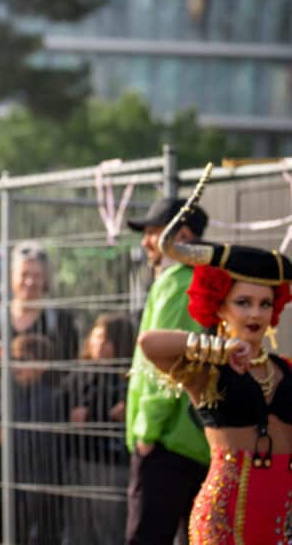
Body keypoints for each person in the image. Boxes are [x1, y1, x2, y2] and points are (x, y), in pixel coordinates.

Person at [137, 171, 292, 543]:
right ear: (219, 307)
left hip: (280, 524)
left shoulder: (284, 368)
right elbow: (149, 343)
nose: (254, 314)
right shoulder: (204, 370)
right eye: (243, 303)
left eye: (264, 303)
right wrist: (218, 348)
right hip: (223, 523)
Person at [124, 196, 210, 545]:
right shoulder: (203, 280)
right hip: (193, 438)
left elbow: (167, 366)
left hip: (166, 441)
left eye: (154, 232)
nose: (145, 240)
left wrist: (147, 432)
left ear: (183, 236)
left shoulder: (177, 281)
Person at [0, 333, 65, 545]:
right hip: (3, 477)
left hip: (35, 482)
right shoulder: (3, 390)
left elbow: (38, 439)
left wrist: (5, 437)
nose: (16, 365)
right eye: (14, 358)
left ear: (43, 365)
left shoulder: (50, 397)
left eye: (24, 360)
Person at [61, 313, 135, 544]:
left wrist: (94, 415)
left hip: (111, 464)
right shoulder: (78, 375)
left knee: (110, 530)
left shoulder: (129, 377)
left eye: (108, 340)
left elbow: (120, 413)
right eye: (97, 337)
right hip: (78, 460)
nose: (101, 345)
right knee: (79, 531)